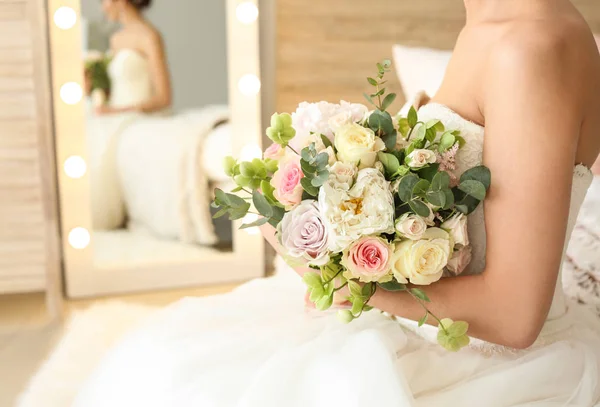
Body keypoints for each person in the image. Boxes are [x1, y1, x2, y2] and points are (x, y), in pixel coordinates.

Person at [72, 0, 600, 405]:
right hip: (435, 321)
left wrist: (344, 282)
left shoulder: (530, 43)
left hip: (484, 351)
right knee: (165, 358)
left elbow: (513, 318)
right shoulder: (488, 22)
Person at [95, 0, 172, 115]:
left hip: (142, 121)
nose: (103, 9)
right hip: (115, 118)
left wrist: (119, 112)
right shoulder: (115, 39)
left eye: (104, 1)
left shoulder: (149, 36)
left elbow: (163, 98)